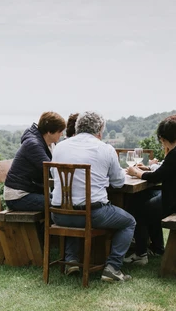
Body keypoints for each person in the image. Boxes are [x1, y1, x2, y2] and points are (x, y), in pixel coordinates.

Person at [51, 111, 135, 283]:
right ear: (100, 130)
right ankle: (112, 267)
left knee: (74, 207)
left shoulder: (60, 147)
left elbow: (54, 174)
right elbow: (118, 182)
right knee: (129, 222)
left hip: (58, 214)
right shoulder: (105, 149)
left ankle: (71, 260)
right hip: (91, 215)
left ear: (77, 127)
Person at [125, 118, 176, 265]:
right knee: (141, 199)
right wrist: (143, 170)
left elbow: (157, 176)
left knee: (138, 211)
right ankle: (157, 248)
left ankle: (141, 254)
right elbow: (163, 172)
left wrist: (136, 173)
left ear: (161, 138)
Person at [3, 111, 66, 212]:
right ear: (49, 132)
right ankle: (48, 228)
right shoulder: (33, 145)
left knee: (63, 200)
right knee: (59, 203)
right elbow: (51, 170)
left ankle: (47, 227)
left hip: (30, 191)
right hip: (19, 196)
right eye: (60, 131)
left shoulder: (49, 144)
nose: (62, 134)